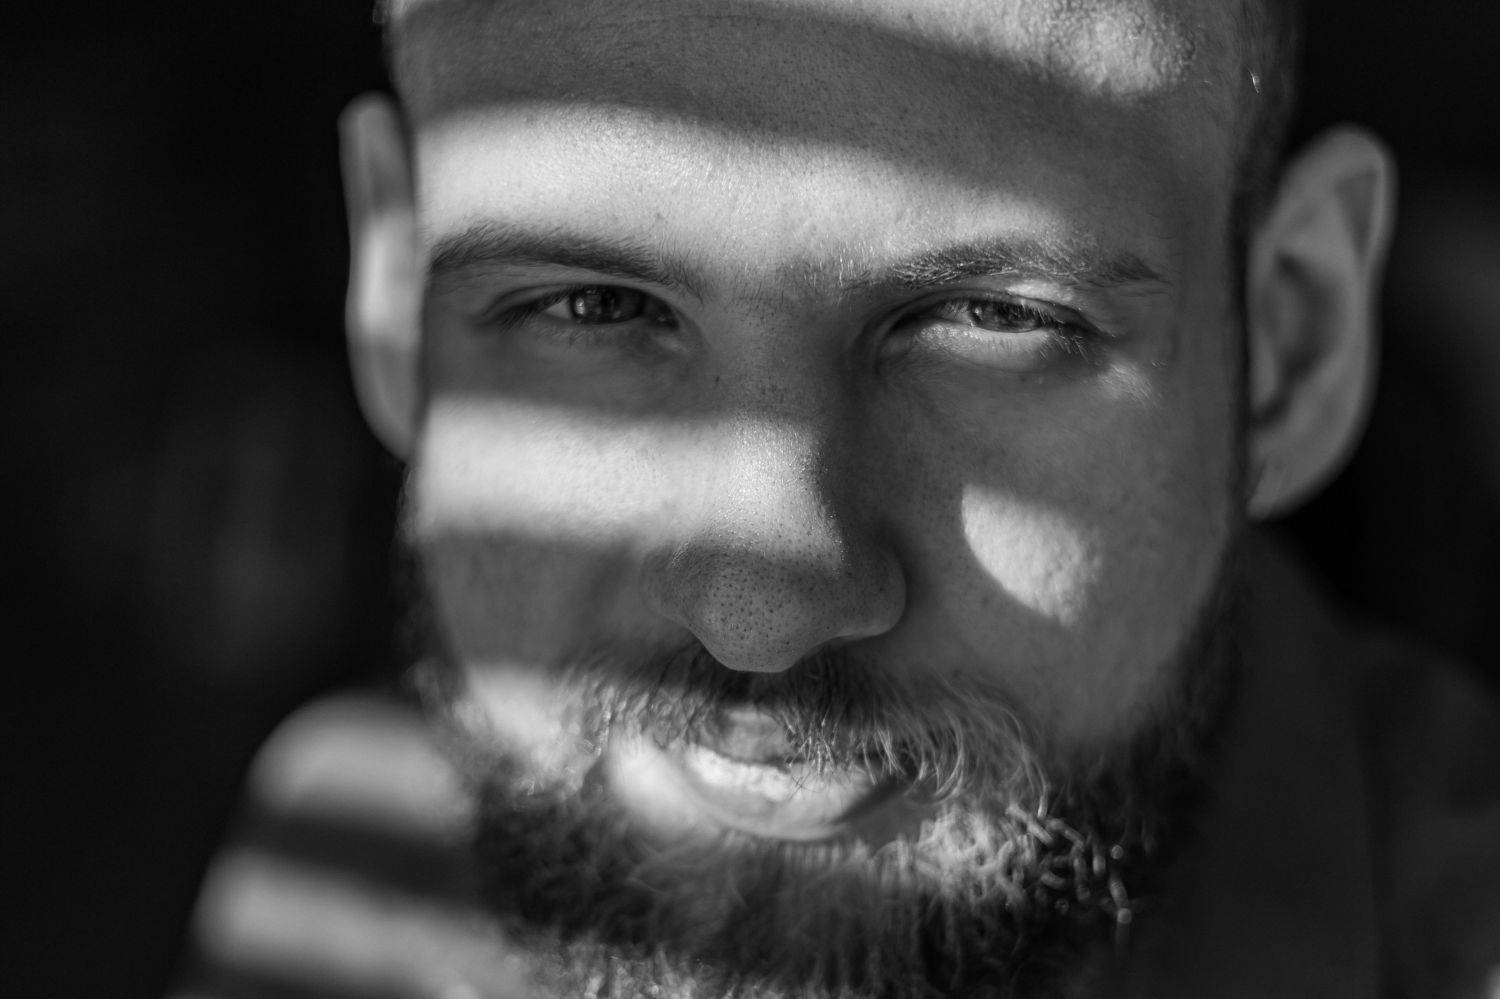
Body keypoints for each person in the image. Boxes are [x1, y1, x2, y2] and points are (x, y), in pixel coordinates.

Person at [175, 0, 1500, 996]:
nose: (761, 621)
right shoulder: (348, 869)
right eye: (592, 305)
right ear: (395, 298)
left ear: (1292, 348)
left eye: (994, 317)